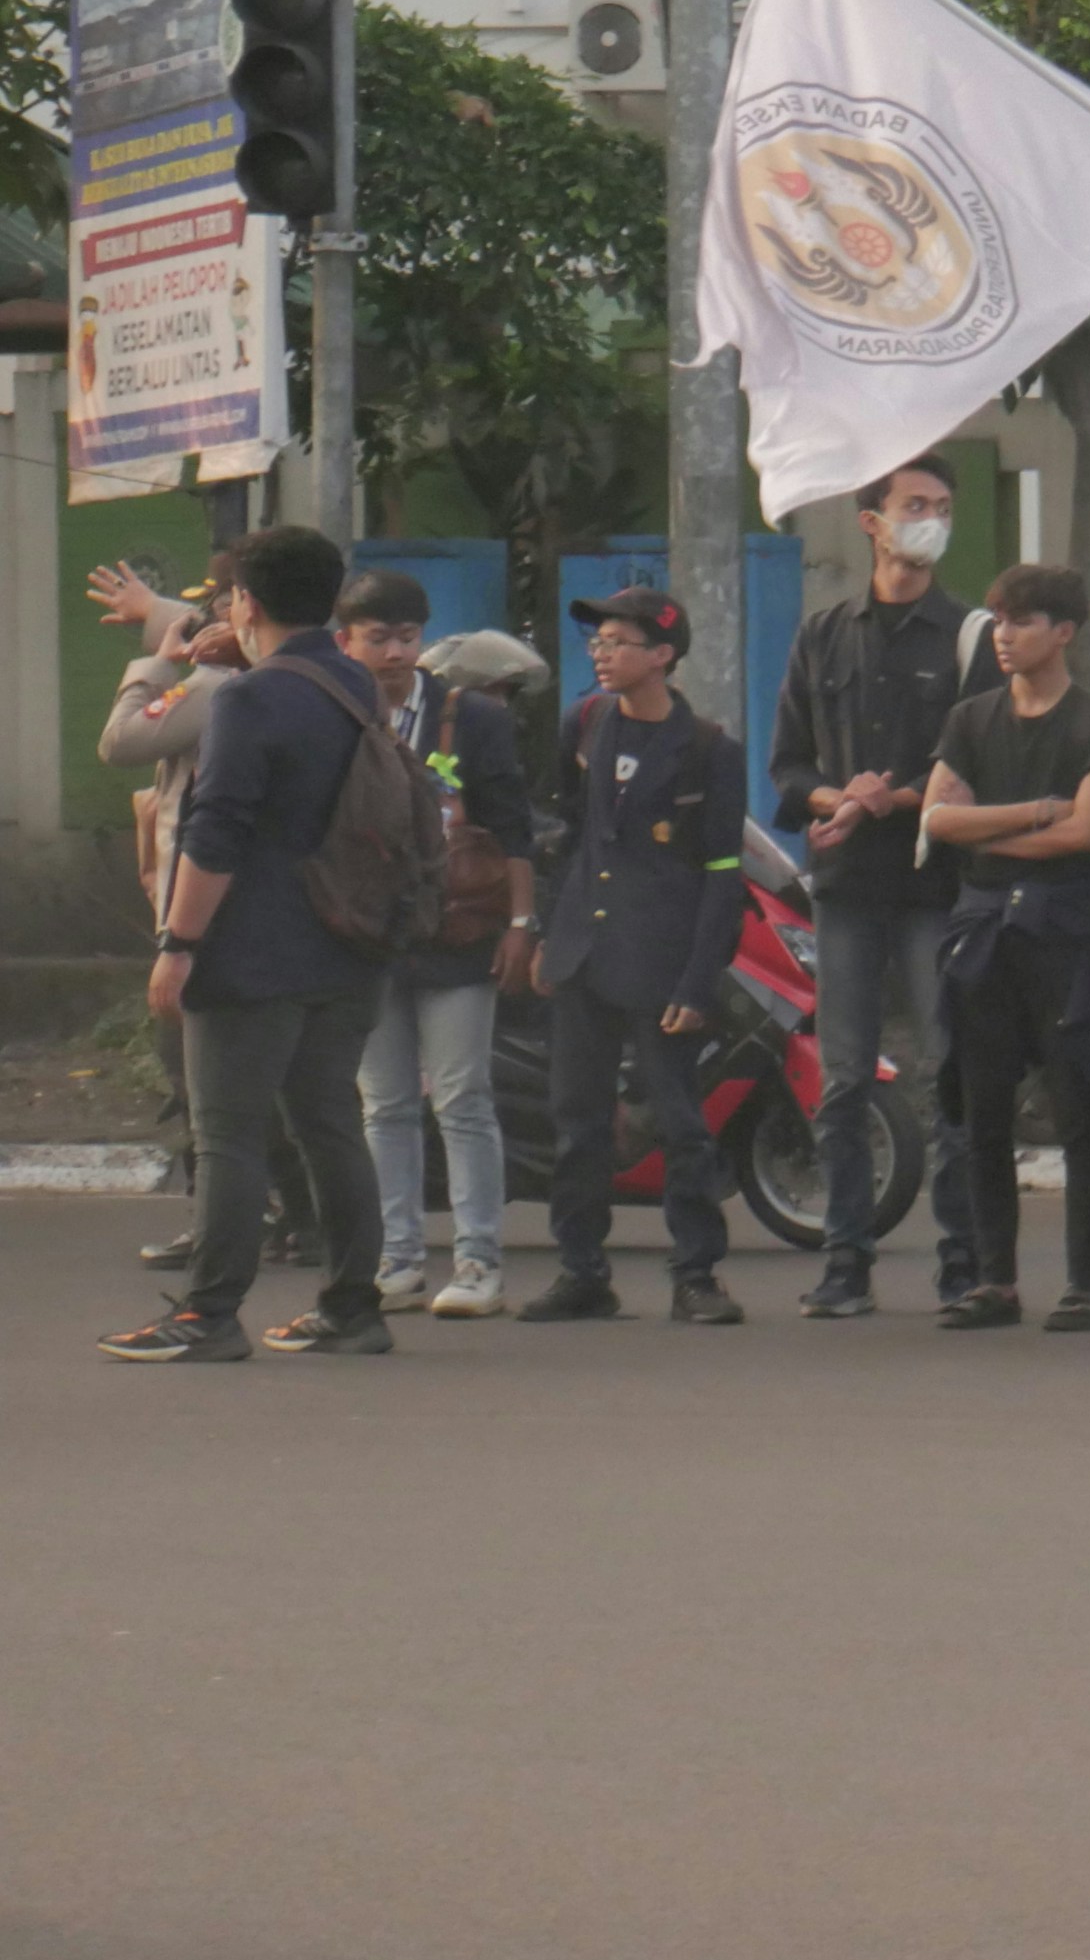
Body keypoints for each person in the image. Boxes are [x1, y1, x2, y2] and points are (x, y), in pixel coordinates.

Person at [99, 525, 403, 1364]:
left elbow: (216, 827)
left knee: (228, 1133)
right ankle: (351, 1308)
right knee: (330, 1123)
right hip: (349, 944)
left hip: (250, 951)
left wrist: (178, 942)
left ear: (246, 602)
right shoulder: (354, 683)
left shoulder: (247, 698)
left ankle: (208, 1315)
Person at [768, 455, 984, 1319]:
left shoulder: (970, 637)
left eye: (941, 505)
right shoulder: (824, 633)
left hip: (938, 886)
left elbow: (976, 761)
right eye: (914, 505)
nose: (929, 519)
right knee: (845, 1076)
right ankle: (845, 1260)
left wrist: (885, 799)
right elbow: (787, 765)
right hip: (847, 885)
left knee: (948, 1073)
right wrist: (835, 799)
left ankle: (963, 1262)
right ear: (871, 521)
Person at [504, 589, 749, 1329]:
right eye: (598, 641)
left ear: (663, 655)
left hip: (663, 961)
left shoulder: (709, 748)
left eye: (618, 641)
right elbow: (573, 837)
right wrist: (549, 930)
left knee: (679, 1121)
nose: (601, 653)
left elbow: (722, 874)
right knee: (578, 1121)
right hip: (585, 953)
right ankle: (582, 1271)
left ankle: (696, 1275)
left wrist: (699, 981)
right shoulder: (586, 722)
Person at [924, 564, 1090, 1331]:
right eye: (999, 619)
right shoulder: (971, 719)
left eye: (1024, 621)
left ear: (1064, 632)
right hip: (981, 934)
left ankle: (1084, 1285)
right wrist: (1035, 813)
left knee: (1077, 1112)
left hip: (1063, 933)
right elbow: (938, 821)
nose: (1005, 634)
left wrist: (993, 829)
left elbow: (1089, 830)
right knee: (982, 1111)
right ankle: (994, 1281)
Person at [337, 569, 527, 1322]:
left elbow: (512, 827)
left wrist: (521, 924)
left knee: (463, 1097)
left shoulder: (469, 718)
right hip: (366, 939)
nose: (392, 654)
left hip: (456, 934)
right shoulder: (332, 712)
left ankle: (479, 1260)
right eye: (376, 638)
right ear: (345, 640)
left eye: (406, 638)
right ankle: (398, 1258)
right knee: (382, 1104)